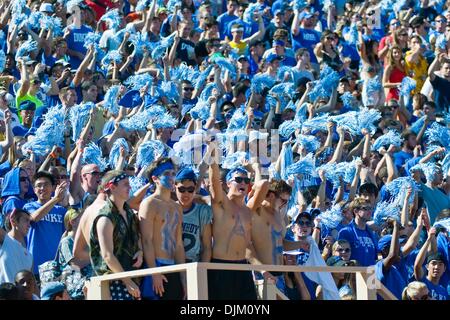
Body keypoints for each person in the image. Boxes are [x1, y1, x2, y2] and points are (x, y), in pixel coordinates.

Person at [89, 170, 143, 300]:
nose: (129, 187)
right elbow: (107, 255)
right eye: (125, 184)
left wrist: (140, 251)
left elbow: (138, 235)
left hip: (132, 278)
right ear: (112, 187)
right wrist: (128, 282)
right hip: (114, 282)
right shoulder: (105, 218)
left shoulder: (128, 211)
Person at [139, 158, 185, 300]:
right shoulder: (149, 203)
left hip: (173, 267)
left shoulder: (177, 207)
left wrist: (183, 277)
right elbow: (147, 240)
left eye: (173, 173)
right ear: (155, 179)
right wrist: (154, 273)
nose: (172, 177)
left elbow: (178, 244)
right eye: (167, 174)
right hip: (156, 265)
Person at [24, 171, 68, 278]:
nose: (42, 188)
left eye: (46, 184)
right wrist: (56, 199)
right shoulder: (29, 207)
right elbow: (34, 218)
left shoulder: (61, 210)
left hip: (57, 266)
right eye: (39, 185)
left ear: (53, 188)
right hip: (36, 266)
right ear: (34, 190)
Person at [174, 167, 212, 263]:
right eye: (182, 189)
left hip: (194, 264)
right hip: (172, 264)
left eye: (190, 190)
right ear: (175, 188)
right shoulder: (169, 209)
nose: (186, 193)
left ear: (195, 190)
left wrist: (203, 270)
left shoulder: (202, 211)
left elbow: (207, 247)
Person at [337, 198, 378, 267]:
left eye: (371, 208)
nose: (370, 211)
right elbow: (341, 257)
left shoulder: (371, 233)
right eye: (365, 208)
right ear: (356, 211)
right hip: (354, 275)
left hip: (370, 275)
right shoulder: (345, 232)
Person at [413, 227, 449, 300]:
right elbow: (417, 266)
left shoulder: (444, 291)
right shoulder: (422, 282)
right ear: (427, 266)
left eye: (440, 264)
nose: (436, 267)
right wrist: (428, 239)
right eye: (433, 263)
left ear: (444, 269)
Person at [0, 209, 33, 283]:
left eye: (29, 222)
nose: (29, 225)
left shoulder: (29, 256)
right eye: (26, 220)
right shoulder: (4, 240)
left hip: (21, 295)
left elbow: (33, 285)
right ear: (14, 221)